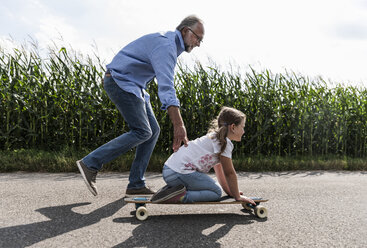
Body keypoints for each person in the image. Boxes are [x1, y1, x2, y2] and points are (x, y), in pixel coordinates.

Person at [77, 15, 205, 196]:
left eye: (201, 40)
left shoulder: (170, 44)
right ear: (185, 31)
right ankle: (90, 163)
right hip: (120, 81)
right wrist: (179, 125)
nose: (198, 43)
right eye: (197, 37)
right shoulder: (166, 46)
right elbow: (167, 88)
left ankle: (136, 183)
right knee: (142, 131)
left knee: (152, 131)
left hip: (135, 87)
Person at [150, 107, 257, 206]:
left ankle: (169, 191)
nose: (244, 131)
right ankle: (180, 196)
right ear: (233, 127)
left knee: (215, 189)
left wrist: (231, 192)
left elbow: (220, 171)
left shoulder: (216, 138)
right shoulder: (225, 143)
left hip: (170, 171)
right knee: (216, 192)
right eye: (242, 127)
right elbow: (229, 173)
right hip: (180, 172)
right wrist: (238, 197)